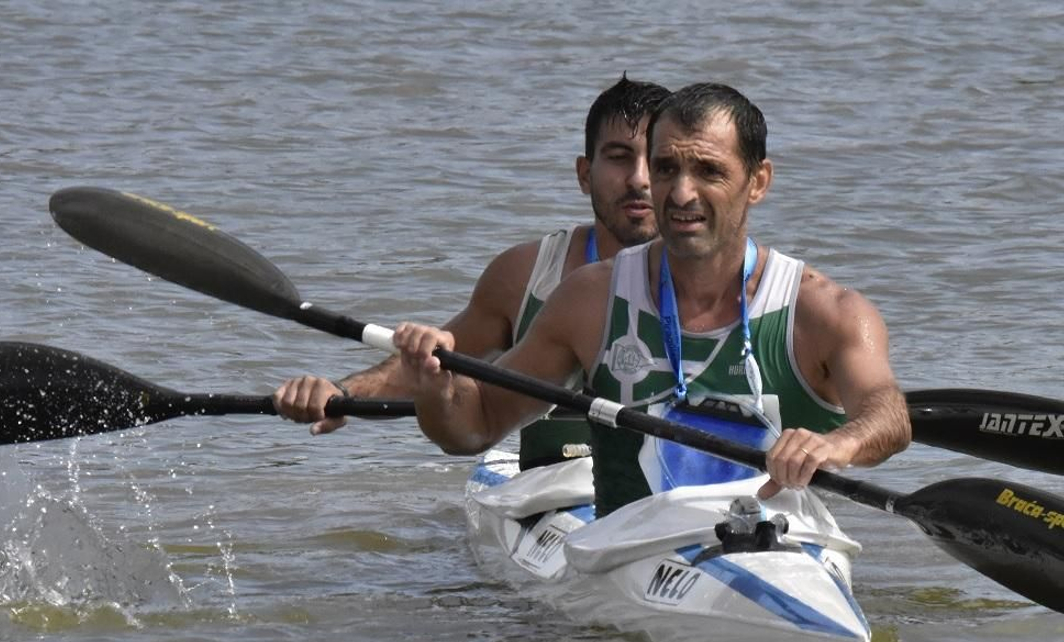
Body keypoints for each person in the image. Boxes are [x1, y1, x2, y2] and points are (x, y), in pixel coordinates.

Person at [390, 83, 912, 514]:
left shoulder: (826, 312)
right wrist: (435, 388)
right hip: (629, 561)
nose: (680, 194)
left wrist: (839, 443)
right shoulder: (591, 300)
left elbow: (888, 417)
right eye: (666, 169)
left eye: (708, 171)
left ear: (758, 182)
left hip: (783, 556)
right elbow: (473, 428)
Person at [273, 75, 670, 469]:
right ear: (584, 174)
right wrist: (342, 393)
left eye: (654, 162)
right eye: (619, 157)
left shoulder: (722, 283)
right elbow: (436, 365)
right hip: (551, 493)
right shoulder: (524, 274)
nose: (639, 179)